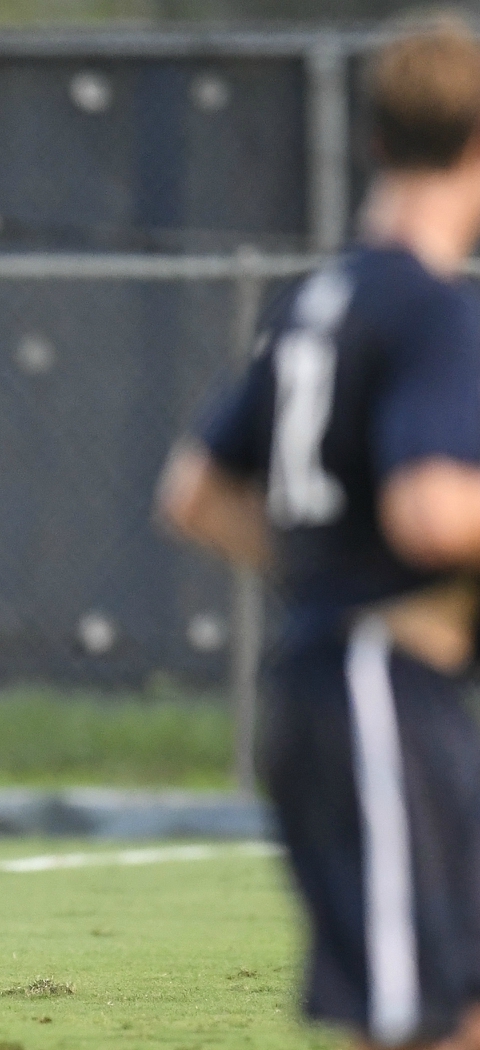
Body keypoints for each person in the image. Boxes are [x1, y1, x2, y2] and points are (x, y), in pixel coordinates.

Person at [159, 17, 480, 1049]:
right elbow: (430, 510)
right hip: (375, 687)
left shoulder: (319, 299)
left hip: (354, 686)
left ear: (376, 143)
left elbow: (195, 495)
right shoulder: (428, 308)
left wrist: (327, 572)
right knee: (417, 1025)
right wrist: (361, 590)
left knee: (446, 1009)